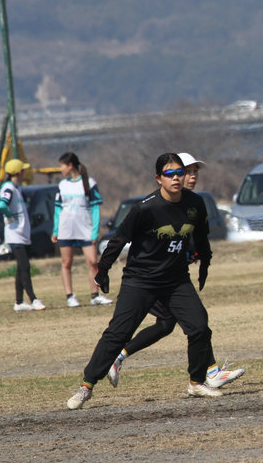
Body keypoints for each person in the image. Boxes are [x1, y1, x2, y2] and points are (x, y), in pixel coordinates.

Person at [67, 153, 227, 409]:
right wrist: (102, 270)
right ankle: (86, 386)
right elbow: (118, 240)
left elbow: (201, 238)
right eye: (170, 174)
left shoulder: (195, 203)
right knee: (118, 333)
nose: (176, 178)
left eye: (180, 173)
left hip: (175, 279)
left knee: (199, 325)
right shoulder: (145, 208)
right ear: (158, 178)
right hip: (140, 280)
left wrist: (205, 263)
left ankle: (197, 382)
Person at [107, 152, 244, 390]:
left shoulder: (191, 204)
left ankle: (118, 357)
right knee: (192, 322)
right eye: (185, 172)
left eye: (193, 172)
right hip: (150, 280)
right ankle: (210, 372)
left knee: (169, 323)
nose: (191, 176)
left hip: (171, 278)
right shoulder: (159, 205)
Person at [51, 152, 112, 308]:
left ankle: (95, 295)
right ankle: (70, 296)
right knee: (66, 263)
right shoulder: (62, 185)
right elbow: (58, 209)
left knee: (92, 262)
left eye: (62, 166)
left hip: (85, 229)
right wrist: (55, 231)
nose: (60, 169)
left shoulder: (89, 183)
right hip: (66, 229)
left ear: (70, 165)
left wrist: (95, 232)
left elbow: (95, 209)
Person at [0, 159, 46, 312]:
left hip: (22, 234)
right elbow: (1, 204)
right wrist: (9, 216)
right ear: (19, 172)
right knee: (25, 266)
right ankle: (33, 299)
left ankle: (19, 302)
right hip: (14, 234)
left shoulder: (17, 188)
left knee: (21, 268)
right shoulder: (9, 188)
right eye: (23, 170)